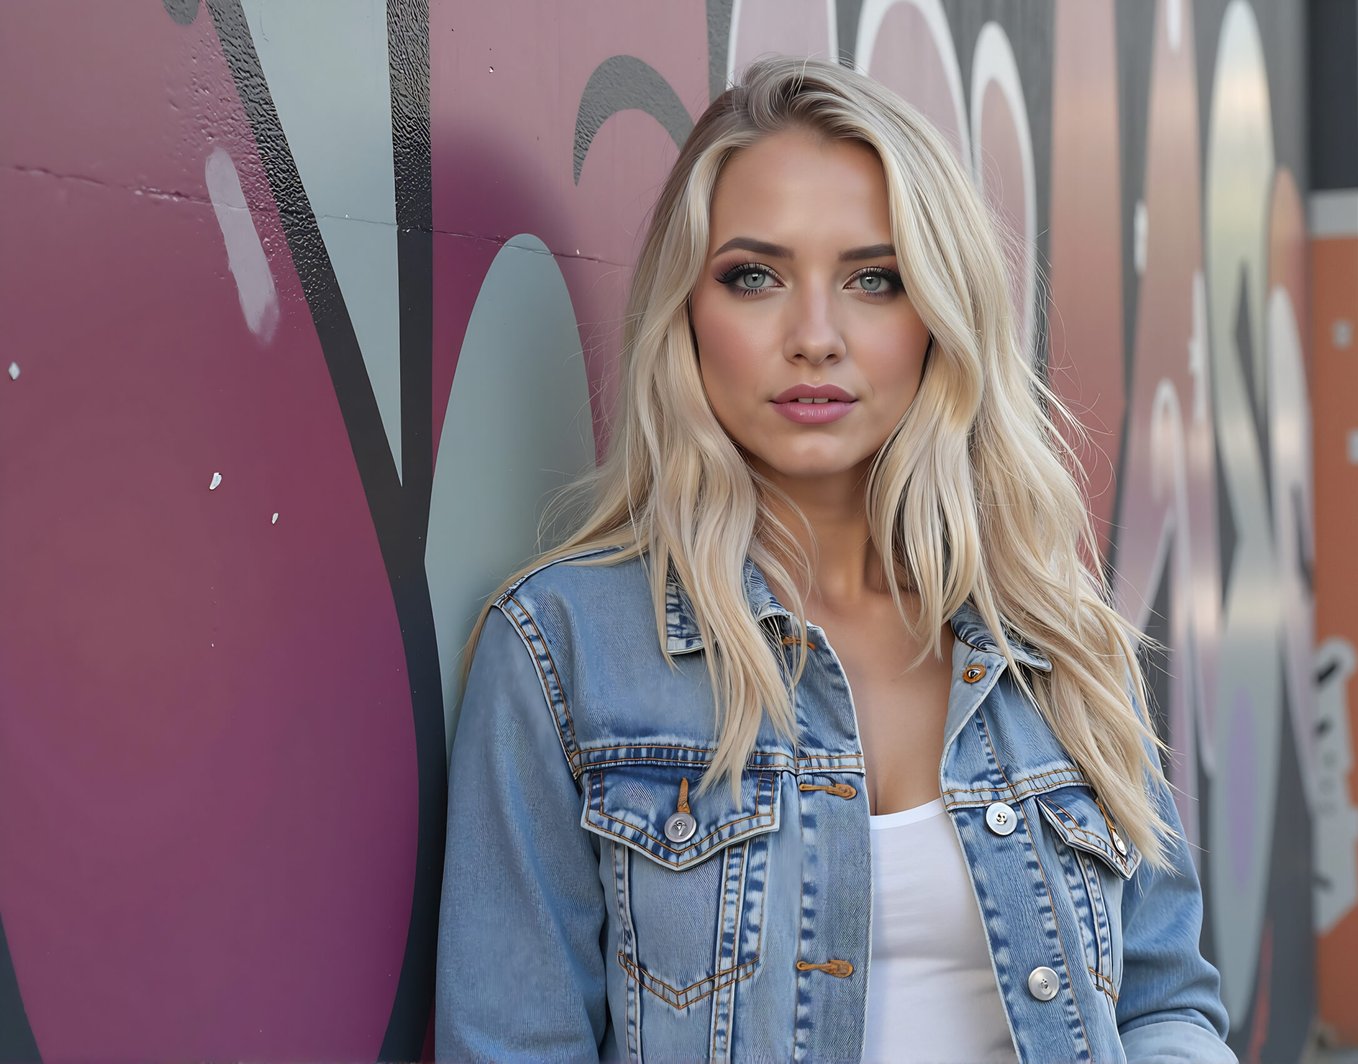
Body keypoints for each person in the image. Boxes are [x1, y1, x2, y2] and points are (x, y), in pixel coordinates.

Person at [436, 57, 1234, 1063]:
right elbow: (515, 1041)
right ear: (685, 310)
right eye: (753, 276)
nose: (814, 337)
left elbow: (1165, 999)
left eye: (874, 278)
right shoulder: (562, 652)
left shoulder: (1055, 637)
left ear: (938, 314)